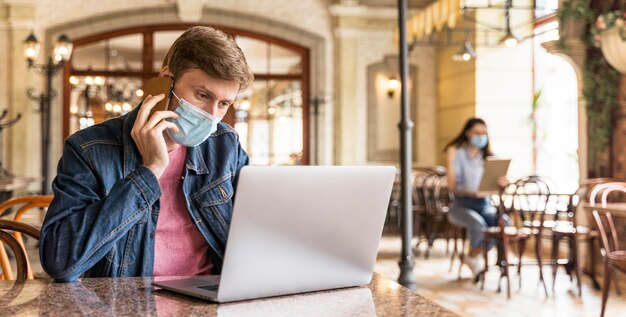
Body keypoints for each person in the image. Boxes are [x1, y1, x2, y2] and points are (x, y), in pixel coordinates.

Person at [39, 26, 254, 282]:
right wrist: (149, 172)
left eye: (224, 103)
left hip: (208, 298)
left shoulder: (225, 144)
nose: (211, 114)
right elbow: (61, 263)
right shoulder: (89, 148)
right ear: (166, 79)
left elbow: (254, 232)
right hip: (129, 303)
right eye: (202, 95)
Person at [444, 117, 508, 277]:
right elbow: (453, 186)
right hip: (461, 205)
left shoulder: (490, 157)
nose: (481, 136)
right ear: (467, 133)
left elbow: (497, 187)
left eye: (484, 133)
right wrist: (450, 160)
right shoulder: (457, 154)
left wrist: (503, 184)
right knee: (478, 225)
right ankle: (475, 256)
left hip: (484, 204)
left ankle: (474, 254)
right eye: (477, 133)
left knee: (504, 222)